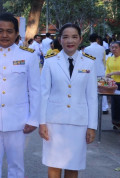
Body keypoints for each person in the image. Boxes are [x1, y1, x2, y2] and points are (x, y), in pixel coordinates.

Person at [0, 13, 40, 177]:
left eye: (9, 31)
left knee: (16, 166)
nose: (4, 35)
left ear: (17, 33)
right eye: (0, 31)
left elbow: (35, 89)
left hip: (19, 120)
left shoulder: (28, 55)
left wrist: (33, 119)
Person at [39, 23, 98, 178]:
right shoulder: (50, 61)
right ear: (60, 39)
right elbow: (44, 94)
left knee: (73, 166)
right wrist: (42, 122)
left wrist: (92, 126)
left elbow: (92, 97)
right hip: (54, 122)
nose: (69, 41)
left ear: (80, 39)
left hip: (78, 123)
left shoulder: (89, 62)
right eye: (65, 37)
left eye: (74, 37)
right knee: (54, 166)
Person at [84, 34, 108, 114]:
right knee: (103, 91)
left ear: (89, 40)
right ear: (97, 39)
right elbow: (104, 61)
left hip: (90, 72)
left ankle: (91, 107)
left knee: (90, 91)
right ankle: (104, 108)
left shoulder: (86, 49)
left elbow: (85, 61)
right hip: (101, 72)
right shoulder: (102, 48)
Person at [105, 41, 120, 129]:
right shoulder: (109, 58)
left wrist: (113, 73)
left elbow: (111, 72)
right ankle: (116, 122)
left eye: (116, 47)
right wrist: (107, 78)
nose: (113, 49)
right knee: (114, 104)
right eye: (112, 47)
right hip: (113, 84)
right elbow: (107, 71)